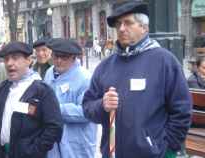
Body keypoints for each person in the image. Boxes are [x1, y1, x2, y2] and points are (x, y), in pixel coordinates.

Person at [82, 1, 192, 158]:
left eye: (128, 23)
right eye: (118, 24)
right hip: (113, 153)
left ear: (144, 27)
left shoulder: (164, 61)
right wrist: (102, 105)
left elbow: (182, 110)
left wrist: (165, 148)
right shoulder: (105, 66)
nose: (121, 28)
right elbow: (87, 107)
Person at [0, 41, 63, 158]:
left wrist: (34, 151)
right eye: (6, 59)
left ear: (28, 60)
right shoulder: (4, 87)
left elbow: (54, 127)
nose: (9, 63)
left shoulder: (42, 91)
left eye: (15, 58)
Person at [44, 38, 97, 158]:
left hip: (76, 145)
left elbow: (86, 112)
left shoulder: (85, 78)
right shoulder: (49, 73)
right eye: (56, 56)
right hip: (53, 144)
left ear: (74, 58)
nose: (58, 61)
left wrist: (54, 109)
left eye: (64, 57)